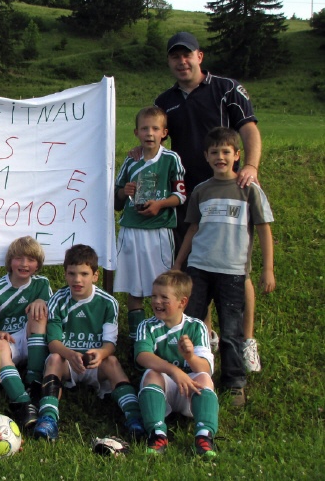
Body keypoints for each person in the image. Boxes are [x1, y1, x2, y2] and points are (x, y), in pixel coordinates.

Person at [154, 31, 264, 371]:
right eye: (175, 56)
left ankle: (246, 342)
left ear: (199, 56)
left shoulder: (227, 88)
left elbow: (249, 129)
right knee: (196, 266)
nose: (181, 61)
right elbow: (155, 137)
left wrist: (250, 165)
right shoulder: (165, 100)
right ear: (169, 61)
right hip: (187, 195)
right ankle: (209, 334)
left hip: (229, 189)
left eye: (187, 55)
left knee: (236, 268)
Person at [174, 128, 275, 407]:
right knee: (192, 324)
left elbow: (264, 230)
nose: (220, 157)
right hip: (198, 268)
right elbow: (192, 229)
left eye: (226, 152)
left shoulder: (248, 189)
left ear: (237, 155)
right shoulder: (201, 190)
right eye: (214, 152)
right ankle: (193, 371)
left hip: (232, 272)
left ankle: (234, 382)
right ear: (206, 156)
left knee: (231, 330)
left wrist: (268, 269)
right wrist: (179, 263)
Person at [33, 244, 144, 442]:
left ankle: (134, 416)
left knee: (112, 362)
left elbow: (110, 344)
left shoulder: (108, 302)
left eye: (84, 274)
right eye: (72, 273)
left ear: (95, 276)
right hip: (68, 361)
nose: (77, 280)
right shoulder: (58, 300)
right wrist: (70, 354)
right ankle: (48, 418)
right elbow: (53, 342)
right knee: (54, 359)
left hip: (95, 363)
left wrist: (101, 354)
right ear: (65, 274)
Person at [115, 106, 186, 340]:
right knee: (134, 287)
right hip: (131, 230)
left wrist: (160, 204)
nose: (150, 133)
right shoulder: (131, 159)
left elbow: (181, 195)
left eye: (155, 128)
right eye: (145, 128)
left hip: (159, 230)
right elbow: (116, 197)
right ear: (136, 132)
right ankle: (137, 338)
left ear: (164, 133)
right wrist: (124, 192)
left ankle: (164, 335)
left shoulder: (171, 159)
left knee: (164, 287)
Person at [135, 270, 219, 457]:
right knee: (151, 374)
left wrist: (190, 357)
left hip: (190, 390)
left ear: (182, 302)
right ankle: (157, 434)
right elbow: (142, 355)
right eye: (154, 296)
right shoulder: (147, 326)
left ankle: (204, 437)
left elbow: (205, 368)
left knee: (204, 379)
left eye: (164, 297)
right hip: (164, 388)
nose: (157, 301)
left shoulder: (196, 327)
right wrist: (174, 371)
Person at [0, 236, 52, 431]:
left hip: (31, 337)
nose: (24, 264)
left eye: (31, 260)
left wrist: (41, 302)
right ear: (10, 261)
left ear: (38, 265)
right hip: (7, 340)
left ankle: (34, 382)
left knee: (39, 313)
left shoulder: (42, 284)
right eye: (19, 258)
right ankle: (22, 402)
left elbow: (52, 316)